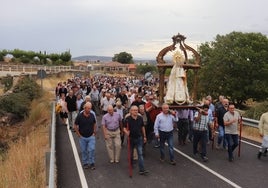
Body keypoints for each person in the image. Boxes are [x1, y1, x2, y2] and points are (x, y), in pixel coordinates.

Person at [123, 105, 149, 175]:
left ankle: (142, 169)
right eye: (134, 110)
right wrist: (126, 132)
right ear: (131, 111)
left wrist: (145, 136)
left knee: (140, 154)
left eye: (136, 110)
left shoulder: (140, 118)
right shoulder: (127, 119)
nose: (135, 111)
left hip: (139, 138)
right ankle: (131, 164)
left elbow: (142, 127)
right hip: (130, 139)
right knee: (130, 154)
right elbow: (124, 128)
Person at [74, 102, 97, 170]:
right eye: (88, 108)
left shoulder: (92, 115)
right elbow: (75, 125)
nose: (90, 110)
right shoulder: (79, 116)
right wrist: (78, 134)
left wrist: (94, 132)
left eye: (90, 108)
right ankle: (85, 163)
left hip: (91, 136)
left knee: (92, 149)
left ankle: (92, 162)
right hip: (82, 137)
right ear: (85, 108)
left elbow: (94, 123)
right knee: (84, 150)